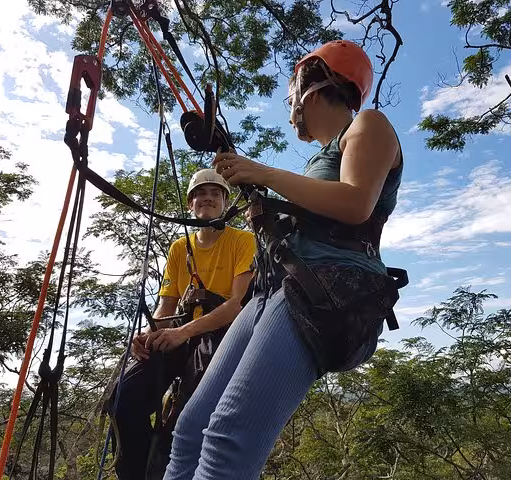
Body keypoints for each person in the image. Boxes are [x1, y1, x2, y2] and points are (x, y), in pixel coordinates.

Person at [162, 40, 405, 480]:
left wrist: (263, 173)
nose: (290, 104)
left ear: (314, 83)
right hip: (273, 290)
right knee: (190, 430)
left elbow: (355, 203)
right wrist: (255, 185)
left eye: (293, 91)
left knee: (226, 440)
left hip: (323, 289)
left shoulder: (368, 124)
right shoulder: (318, 159)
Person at [108, 169, 256, 480]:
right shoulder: (180, 248)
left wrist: (181, 332)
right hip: (181, 334)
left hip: (222, 336)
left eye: (216, 194)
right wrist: (148, 336)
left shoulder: (243, 242)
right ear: (191, 204)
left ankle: (173, 465)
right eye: (201, 194)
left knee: (186, 417)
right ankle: (141, 472)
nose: (208, 198)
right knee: (124, 399)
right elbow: (166, 309)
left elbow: (237, 305)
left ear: (226, 203)